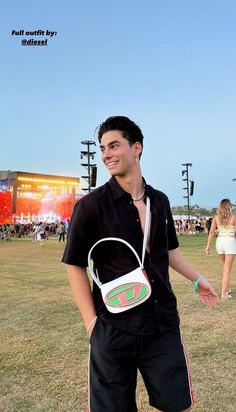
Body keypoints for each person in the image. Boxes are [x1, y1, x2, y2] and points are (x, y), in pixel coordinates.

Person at [62, 116, 218, 412]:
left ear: (137, 148)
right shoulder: (90, 206)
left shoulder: (160, 201)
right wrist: (91, 323)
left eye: (114, 145)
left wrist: (199, 280)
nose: (106, 154)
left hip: (161, 323)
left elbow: (170, 251)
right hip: (113, 327)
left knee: (175, 405)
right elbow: (74, 264)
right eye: (103, 148)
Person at [206, 199, 236, 300]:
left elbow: (211, 232)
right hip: (230, 243)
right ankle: (224, 294)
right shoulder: (233, 217)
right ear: (229, 206)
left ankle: (226, 289)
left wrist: (208, 246)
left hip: (220, 243)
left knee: (226, 267)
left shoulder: (216, 218)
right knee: (227, 269)